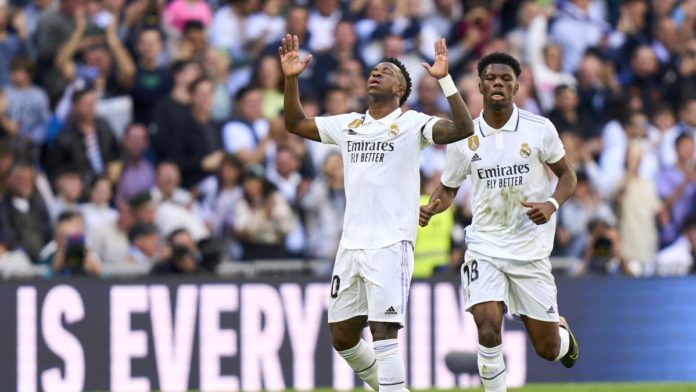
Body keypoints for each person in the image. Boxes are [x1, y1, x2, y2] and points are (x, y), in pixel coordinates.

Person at [280, 34, 474, 391]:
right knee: (342, 336)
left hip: (390, 242)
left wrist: (444, 79)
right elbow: (294, 123)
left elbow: (463, 128)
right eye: (374, 70)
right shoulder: (349, 124)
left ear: (400, 89)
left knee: (384, 332)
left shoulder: (414, 123)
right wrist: (291, 79)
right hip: (351, 245)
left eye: (385, 71)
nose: (376, 74)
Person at [419, 52, 579, 391]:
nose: (498, 83)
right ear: (480, 86)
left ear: (516, 87)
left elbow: (568, 177)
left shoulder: (539, 129)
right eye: (491, 78)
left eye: (505, 79)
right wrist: (434, 207)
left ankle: (562, 335)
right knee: (488, 327)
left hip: (530, 250)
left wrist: (551, 204)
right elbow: (447, 189)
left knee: (548, 349)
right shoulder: (464, 137)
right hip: (485, 246)